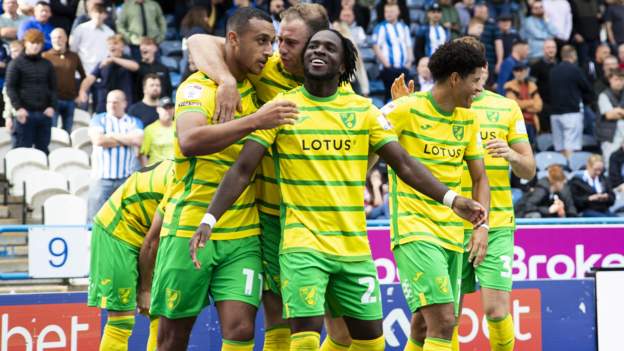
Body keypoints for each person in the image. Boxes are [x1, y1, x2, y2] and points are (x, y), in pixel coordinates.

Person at [190, 30, 487, 351]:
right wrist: (210, 218)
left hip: (353, 249)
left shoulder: (364, 111)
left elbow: (403, 163)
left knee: (371, 342)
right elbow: (242, 170)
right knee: (303, 339)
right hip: (302, 245)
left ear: (343, 63)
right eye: (313, 47)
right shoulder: (281, 108)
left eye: (329, 48)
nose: (318, 52)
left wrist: (452, 199)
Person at [187, 5, 348, 350]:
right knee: (280, 320)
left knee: (343, 333)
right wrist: (227, 80)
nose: (279, 50)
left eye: (290, 43)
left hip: (326, 221)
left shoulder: (344, 96)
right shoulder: (267, 69)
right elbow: (199, 40)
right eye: (278, 40)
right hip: (274, 217)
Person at [149, 8, 298, 351]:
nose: (269, 51)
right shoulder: (198, 87)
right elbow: (190, 141)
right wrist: (254, 121)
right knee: (172, 337)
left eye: (273, 42)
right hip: (189, 225)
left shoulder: (257, 87)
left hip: (243, 231)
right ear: (232, 40)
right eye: (261, 41)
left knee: (241, 329)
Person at [384, 40, 491, 351]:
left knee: (423, 324)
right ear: (456, 78)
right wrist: (402, 108)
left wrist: (481, 226)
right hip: (414, 229)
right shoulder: (405, 109)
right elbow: (367, 136)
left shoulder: (469, 120)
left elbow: (480, 177)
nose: (479, 91)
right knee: (444, 322)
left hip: (453, 233)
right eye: (475, 82)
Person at [88, 159, 172, 351]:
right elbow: (152, 243)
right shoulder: (183, 184)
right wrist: (145, 289)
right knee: (121, 321)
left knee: (162, 314)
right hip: (117, 231)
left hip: (148, 230)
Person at [86, 90, 144, 222]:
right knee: (95, 220)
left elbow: (138, 141)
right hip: (101, 179)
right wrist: (126, 140)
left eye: (116, 102)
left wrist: (111, 135)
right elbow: (99, 141)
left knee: (123, 220)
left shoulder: (134, 121)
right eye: (109, 102)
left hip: (125, 179)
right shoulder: (98, 119)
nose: (112, 105)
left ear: (124, 103)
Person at [5, 29, 57, 154]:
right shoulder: (15, 64)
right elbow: (10, 88)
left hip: (44, 114)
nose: (35, 46)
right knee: (22, 151)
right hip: (24, 115)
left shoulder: (47, 64)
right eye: (32, 42)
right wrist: (18, 108)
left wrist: (52, 106)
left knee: (43, 151)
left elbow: (53, 88)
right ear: (25, 43)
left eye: (39, 43)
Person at [549, 45, 594, 159]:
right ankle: (569, 171)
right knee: (571, 146)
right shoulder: (575, 69)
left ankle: (562, 172)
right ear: (573, 55)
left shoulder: (553, 70)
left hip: (554, 113)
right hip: (572, 112)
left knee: (559, 147)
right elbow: (587, 88)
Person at [78, 34, 139, 113]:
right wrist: (82, 90)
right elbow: (89, 79)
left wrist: (113, 59)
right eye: (110, 44)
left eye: (115, 43)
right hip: (105, 104)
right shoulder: (103, 63)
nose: (112, 46)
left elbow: (135, 67)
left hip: (124, 105)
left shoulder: (128, 60)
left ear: (122, 47)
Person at [42, 27, 86, 133]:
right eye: (54, 38)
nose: (57, 40)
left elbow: (83, 76)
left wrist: (80, 93)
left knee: (68, 131)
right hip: (53, 100)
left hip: (70, 100)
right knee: (52, 132)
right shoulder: (45, 56)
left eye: (60, 37)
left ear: (66, 38)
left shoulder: (74, 56)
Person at [372, 1, 413, 102]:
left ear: (398, 12)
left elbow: (408, 46)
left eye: (391, 11)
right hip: (388, 69)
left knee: (405, 96)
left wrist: (409, 63)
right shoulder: (381, 27)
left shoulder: (404, 27)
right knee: (390, 95)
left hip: (403, 68)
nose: (388, 14)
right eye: (386, 12)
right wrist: (387, 64)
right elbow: (376, 46)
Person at [69, 3, 115, 76]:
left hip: (102, 73)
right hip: (83, 72)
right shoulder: (80, 29)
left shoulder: (110, 33)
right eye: (96, 12)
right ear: (90, 14)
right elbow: (73, 50)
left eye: (101, 12)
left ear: (105, 15)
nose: (98, 15)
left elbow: (111, 53)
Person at [505, 62, 543, 148]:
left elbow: (539, 106)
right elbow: (514, 104)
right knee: (519, 149)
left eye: (521, 70)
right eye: (517, 70)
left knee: (532, 148)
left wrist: (523, 105)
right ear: (514, 72)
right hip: (518, 123)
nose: (519, 73)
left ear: (526, 71)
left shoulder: (532, 85)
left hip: (532, 122)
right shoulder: (509, 85)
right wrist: (531, 102)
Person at [530, 39, 557, 133]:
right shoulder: (536, 66)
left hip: (557, 105)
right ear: (543, 49)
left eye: (553, 47)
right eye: (548, 47)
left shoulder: (559, 65)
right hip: (543, 106)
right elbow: (531, 86)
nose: (551, 50)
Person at [597, 70, 624, 163]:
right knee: (610, 162)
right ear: (610, 80)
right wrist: (617, 112)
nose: (619, 82)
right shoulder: (604, 95)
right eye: (616, 79)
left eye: (621, 79)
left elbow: (614, 113)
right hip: (610, 136)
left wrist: (618, 111)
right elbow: (609, 115)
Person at [140, 96, 174, 166]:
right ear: (158, 109)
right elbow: (143, 154)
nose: (168, 111)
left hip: (176, 172)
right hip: (157, 172)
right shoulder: (150, 129)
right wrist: (147, 173)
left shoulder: (180, 126)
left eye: (170, 107)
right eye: (165, 108)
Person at [135, 36, 172, 101]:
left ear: (155, 48)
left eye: (147, 44)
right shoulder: (136, 68)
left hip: (162, 105)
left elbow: (168, 90)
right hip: (143, 105)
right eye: (142, 45)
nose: (143, 47)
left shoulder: (163, 68)